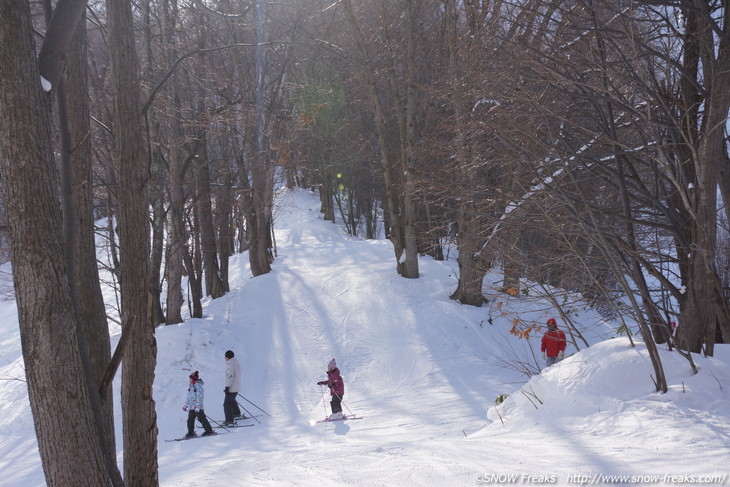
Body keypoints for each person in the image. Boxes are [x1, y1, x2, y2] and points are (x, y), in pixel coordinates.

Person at [183, 370, 215, 438]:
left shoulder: (198, 387)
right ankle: (190, 432)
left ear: (193, 379)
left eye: (190, 378)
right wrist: (185, 405)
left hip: (198, 407)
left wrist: (198, 406)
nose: (189, 380)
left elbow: (200, 397)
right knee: (190, 420)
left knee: (202, 419)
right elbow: (188, 397)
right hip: (191, 407)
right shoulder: (190, 386)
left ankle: (209, 430)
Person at [223, 350, 242, 426]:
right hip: (236, 386)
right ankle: (237, 414)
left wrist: (227, 387)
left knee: (226, 404)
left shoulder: (230, 364)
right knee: (232, 400)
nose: (225, 358)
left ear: (228, 357)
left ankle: (229, 421)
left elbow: (229, 376)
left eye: (225, 356)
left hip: (232, 387)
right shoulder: (235, 362)